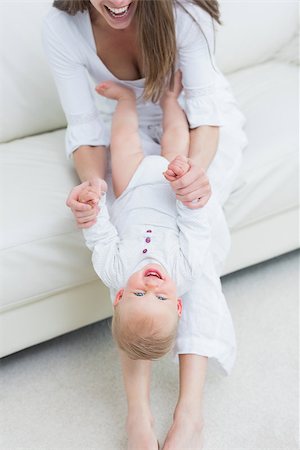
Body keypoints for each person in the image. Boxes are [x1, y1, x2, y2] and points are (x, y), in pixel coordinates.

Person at [42, 1, 248, 448]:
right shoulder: (63, 28)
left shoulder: (184, 16)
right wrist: (94, 191)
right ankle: (139, 412)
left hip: (194, 124)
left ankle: (189, 412)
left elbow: (206, 118)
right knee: (133, 225)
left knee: (201, 230)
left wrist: (191, 178)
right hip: (118, 128)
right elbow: (85, 130)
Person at [79, 76, 211, 362]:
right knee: (177, 137)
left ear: (119, 296)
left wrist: (94, 207)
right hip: (170, 191)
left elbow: (101, 237)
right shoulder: (186, 272)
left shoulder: (113, 272)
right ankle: (169, 100)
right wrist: (186, 194)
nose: (151, 288)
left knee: (123, 142)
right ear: (177, 305)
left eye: (138, 296)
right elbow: (196, 229)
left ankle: (126, 99)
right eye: (161, 298)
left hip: (131, 189)